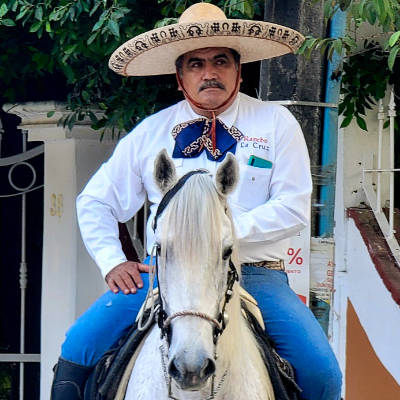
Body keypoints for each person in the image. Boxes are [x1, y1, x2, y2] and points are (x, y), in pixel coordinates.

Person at [51, 3, 342, 400]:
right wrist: (112, 261)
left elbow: (293, 207)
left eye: (221, 61)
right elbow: (96, 201)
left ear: (239, 70)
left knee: (321, 372)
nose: (209, 72)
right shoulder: (150, 133)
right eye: (196, 64)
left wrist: (217, 232)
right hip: (164, 275)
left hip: (255, 274)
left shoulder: (276, 123)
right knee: (76, 351)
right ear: (179, 76)